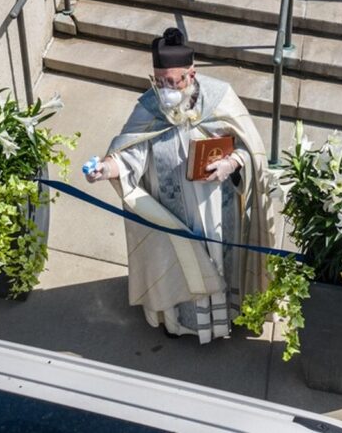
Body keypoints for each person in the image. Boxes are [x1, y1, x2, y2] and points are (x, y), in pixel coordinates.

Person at [85, 28, 276, 343]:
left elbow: (251, 148)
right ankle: (181, 324)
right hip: (171, 210)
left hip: (218, 208)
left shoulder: (221, 98)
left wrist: (232, 163)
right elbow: (131, 154)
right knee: (180, 261)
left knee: (218, 259)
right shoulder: (149, 107)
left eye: (175, 81)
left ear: (192, 74)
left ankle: (225, 317)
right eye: (160, 81)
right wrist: (106, 169)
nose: (167, 89)